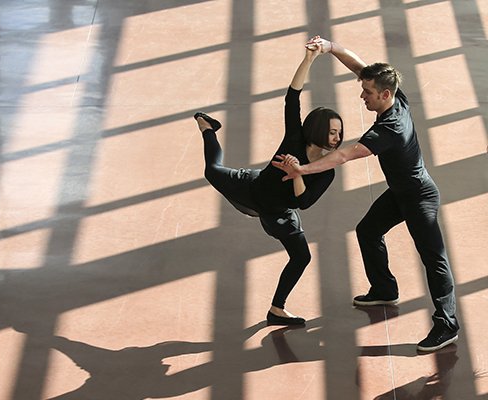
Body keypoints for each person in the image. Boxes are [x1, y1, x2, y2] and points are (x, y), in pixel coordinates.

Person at [272, 36, 459, 352]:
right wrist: (331, 48)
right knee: (368, 230)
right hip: (401, 192)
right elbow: (360, 67)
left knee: (433, 257)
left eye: (367, 93)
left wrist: (301, 170)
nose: (362, 96)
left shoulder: (389, 129)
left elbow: (343, 156)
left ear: (384, 94)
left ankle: (447, 324)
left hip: (419, 196)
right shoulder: (396, 96)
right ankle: (385, 288)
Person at [194, 43, 343, 326]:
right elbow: (292, 97)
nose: (336, 138)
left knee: (302, 257)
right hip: (252, 188)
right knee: (212, 170)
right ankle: (208, 128)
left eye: (339, 133)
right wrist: (308, 59)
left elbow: (304, 203)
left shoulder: (326, 169)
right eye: (332, 131)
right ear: (317, 128)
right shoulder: (294, 139)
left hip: (279, 212)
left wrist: (297, 173)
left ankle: (277, 310)